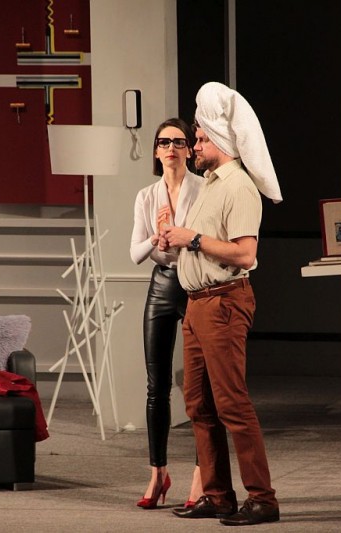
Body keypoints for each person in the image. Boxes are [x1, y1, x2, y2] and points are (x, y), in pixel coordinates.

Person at [161, 82, 282, 526]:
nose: (194, 146)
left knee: (231, 403)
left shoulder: (239, 187)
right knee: (198, 404)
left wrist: (191, 237)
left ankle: (262, 498)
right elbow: (202, 243)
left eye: (200, 139)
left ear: (220, 140)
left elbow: (244, 254)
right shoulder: (210, 185)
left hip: (223, 303)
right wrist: (175, 240)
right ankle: (217, 495)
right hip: (197, 306)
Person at [129, 118, 204, 510]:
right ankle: (158, 472)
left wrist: (181, 235)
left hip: (195, 282)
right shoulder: (146, 196)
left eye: (178, 142)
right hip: (161, 285)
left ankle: (201, 475)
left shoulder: (204, 188)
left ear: (189, 149)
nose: (171, 148)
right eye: (163, 142)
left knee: (200, 386)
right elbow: (135, 253)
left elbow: (207, 240)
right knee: (156, 385)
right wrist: (156, 239)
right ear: (156, 151)